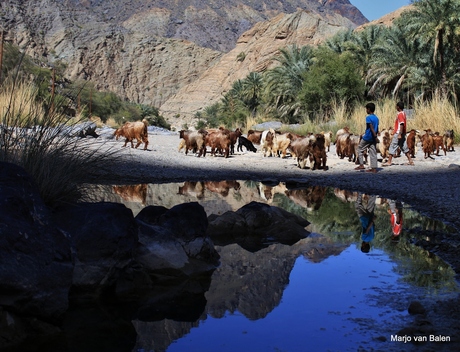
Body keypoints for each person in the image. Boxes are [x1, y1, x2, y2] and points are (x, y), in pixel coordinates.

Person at [382, 101, 414, 166]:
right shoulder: (403, 113)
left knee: (392, 146)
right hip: (402, 133)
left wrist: (399, 133)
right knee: (404, 147)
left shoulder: (400, 114)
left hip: (399, 133)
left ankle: (389, 161)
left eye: (396, 106)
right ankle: (410, 160)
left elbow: (401, 124)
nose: (396, 107)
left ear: (398, 107)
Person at [355, 102, 379, 173]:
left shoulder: (368, 118)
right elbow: (376, 128)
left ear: (369, 109)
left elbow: (371, 128)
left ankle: (361, 164)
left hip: (368, 137)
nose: (366, 110)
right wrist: (375, 137)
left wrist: (374, 136)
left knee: (359, 149)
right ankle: (374, 168)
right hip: (373, 138)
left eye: (366, 109)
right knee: (373, 152)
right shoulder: (376, 118)